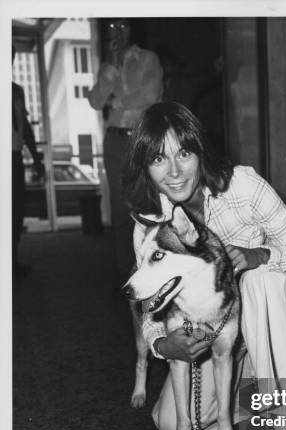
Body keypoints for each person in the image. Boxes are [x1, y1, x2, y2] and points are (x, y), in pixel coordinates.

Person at [123, 101, 286, 430]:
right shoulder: (150, 225)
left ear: (200, 151)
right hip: (214, 330)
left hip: (272, 309)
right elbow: (150, 307)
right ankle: (252, 382)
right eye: (159, 159)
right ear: (145, 167)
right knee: (168, 426)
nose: (176, 171)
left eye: (184, 153)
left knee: (261, 282)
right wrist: (163, 344)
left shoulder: (242, 184)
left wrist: (257, 255)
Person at [88, 18, 164, 286]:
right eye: (112, 27)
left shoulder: (147, 59)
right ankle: (126, 273)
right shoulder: (108, 66)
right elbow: (95, 101)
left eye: (123, 25)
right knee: (119, 211)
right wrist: (109, 74)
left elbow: (152, 96)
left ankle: (152, 271)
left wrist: (119, 100)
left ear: (134, 28)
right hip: (114, 140)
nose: (118, 32)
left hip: (141, 138)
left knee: (146, 204)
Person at [12, 45, 45, 277]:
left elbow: (25, 130)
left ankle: (11, 261)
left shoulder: (16, 90)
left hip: (13, 157)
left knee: (15, 212)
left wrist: (36, 158)